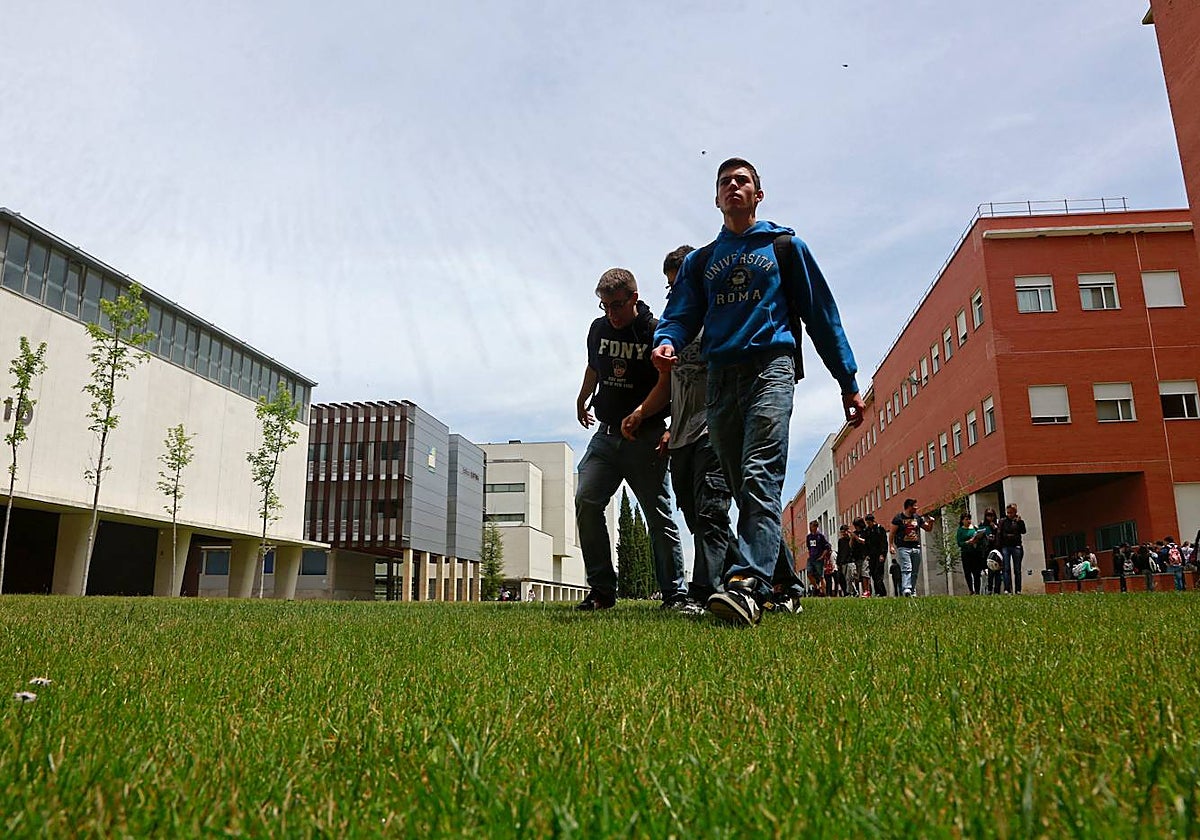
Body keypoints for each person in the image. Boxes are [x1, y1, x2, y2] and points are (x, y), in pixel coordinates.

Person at [652, 157, 865, 626]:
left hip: (773, 365)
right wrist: (665, 340)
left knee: (759, 475)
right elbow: (680, 314)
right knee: (741, 486)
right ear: (716, 198)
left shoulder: (785, 247)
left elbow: (822, 316)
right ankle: (786, 585)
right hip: (720, 376)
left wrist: (847, 382)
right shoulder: (700, 262)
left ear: (758, 194)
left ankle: (746, 584)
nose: (733, 186)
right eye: (725, 181)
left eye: (742, 181)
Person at [624, 246, 803, 615]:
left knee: (712, 513)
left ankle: (703, 592)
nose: (674, 291)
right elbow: (668, 383)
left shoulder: (724, 319)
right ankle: (778, 580)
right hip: (682, 434)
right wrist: (644, 414)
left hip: (715, 429)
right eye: (671, 285)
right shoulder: (673, 325)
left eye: (681, 282)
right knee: (698, 517)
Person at [574, 267, 687, 611]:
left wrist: (652, 419)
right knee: (587, 501)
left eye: (617, 305)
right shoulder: (598, 330)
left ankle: (675, 594)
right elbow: (594, 367)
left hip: (645, 437)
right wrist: (582, 399)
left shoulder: (655, 331)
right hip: (605, 438)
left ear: (634, 299)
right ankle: (602, 590)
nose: (612, 314)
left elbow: (670, 384)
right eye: (605, 307)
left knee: (658, 515)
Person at [891, 498, 934, 597]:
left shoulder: (917, 518)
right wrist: (891, 545)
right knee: (907, 568)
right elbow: (892, 533)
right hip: (903, 548)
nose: (916, 508)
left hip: (916, 547)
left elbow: (928, 529)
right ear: (909, 507)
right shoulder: (898, 518)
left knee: (914, 570)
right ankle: (906, 588)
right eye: (915, 506)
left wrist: (931, 522)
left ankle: (912, 590)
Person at [998, 503, 1028, 593]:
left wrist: (1019, 522)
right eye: (1008, 512)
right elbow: (1000, 533)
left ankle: (1018, 589)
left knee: (1017, 569)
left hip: (1016, 546)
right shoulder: (1003, 521)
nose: (1009, 514)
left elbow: (1023, 531)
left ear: (1015, 512)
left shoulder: (1019, 521)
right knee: (1006, 568)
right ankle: (1007, 589)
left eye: (1011, 512)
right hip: (1006, 546)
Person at [956, 511, 985, 595]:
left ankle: (977, 591)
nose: (968, 521)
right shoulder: (960, 530)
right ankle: (971, 590)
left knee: (977, 573)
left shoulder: (975, 528)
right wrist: (968, 542)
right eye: (966, 519)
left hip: (976, 552)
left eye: (969, 519)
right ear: (962, 521)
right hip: (966, 553)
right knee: (968, 572)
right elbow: (959, 543)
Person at [977, 508, 1001, 595]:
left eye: (991, 515)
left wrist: (995, 528)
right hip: (987, 550)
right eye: (988, 515)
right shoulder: (983, 524)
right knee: (989, 570)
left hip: (996, 549)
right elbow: (979, 536)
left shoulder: (997, 524)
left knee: (998, 570)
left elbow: (1000, 534)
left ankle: (997, 590)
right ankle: (990, 589)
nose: (989, 517)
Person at [864, 514, 889, 597]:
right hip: (872, 555)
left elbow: (884, 542)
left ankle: (882, 592)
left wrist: (882, 554)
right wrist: (867, 554)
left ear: (873, 521)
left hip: (879, 554)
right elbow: (866, 543)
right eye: (867, 523)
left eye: (869, 522)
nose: (869, 524)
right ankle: (877, 592)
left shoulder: (879, 528)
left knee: (878, 574)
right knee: (873, 574)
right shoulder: (867, 530)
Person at [806, 521, 832, 597]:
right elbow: (809, 547)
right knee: (809, 574)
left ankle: (824, 593)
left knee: (821, 576)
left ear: (816, 527)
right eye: (810, 527)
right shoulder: (809, 537)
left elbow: (827, 547)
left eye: (812, 527)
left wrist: (822, 556)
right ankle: (816, 587)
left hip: (819, 559)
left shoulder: (820, 536)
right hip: (811, 558)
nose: (810, 528)